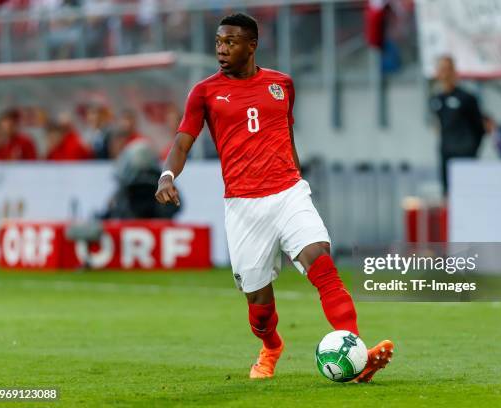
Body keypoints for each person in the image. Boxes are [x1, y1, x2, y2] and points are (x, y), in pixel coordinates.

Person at [155, 13, 393, 382]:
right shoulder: (204, 92)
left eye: (231, 42)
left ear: (252, 45)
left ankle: (357, 352)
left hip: (288, 192)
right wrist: (167, 176)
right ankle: (271, 347)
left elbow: (286, 136)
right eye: (218, 42)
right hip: (243, 205)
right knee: (259, 305)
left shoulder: (282, 84)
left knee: (323, 265)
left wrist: (296, 177)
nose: (221, 49)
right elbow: (182, 142)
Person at [430, 56, 486, 196]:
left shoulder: (467, 98)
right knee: (448, 192)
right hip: (446, 153)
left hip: (465, 153)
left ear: (454, 72)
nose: (445, 73)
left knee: (466, 193)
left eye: (448, 69)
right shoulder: (436, 99)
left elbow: (479, 126)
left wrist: (472, 148)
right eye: (442, 69)